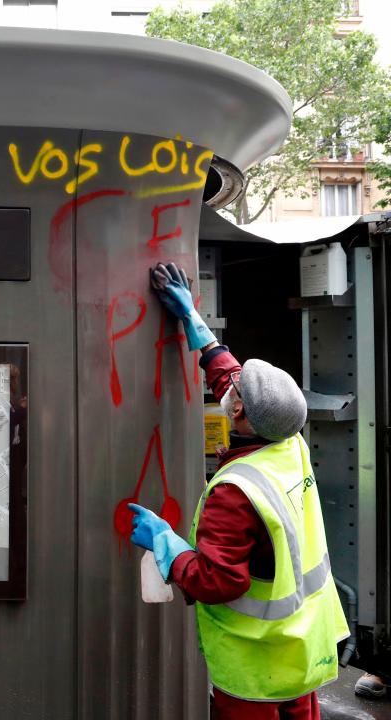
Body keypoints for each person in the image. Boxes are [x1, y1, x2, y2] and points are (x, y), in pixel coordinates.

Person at [129, 262, 349, 720]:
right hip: (302, 644)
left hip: (256, 662)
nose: (228, 392)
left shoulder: (237, 489)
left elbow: (217, 580)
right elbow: (232, 380)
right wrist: (200, 331)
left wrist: (166, 545)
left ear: (241, 415)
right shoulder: (290, 443)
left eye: (237, 397)